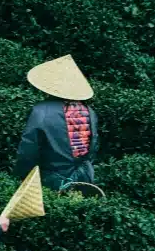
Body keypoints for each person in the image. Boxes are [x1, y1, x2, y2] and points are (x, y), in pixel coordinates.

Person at [13, 54, 99, 190]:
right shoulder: (89, 111)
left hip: (53, 181)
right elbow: (93, 150)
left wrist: (20, 176)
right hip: (85, 178)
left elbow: (28, 150)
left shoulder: (41, 111)